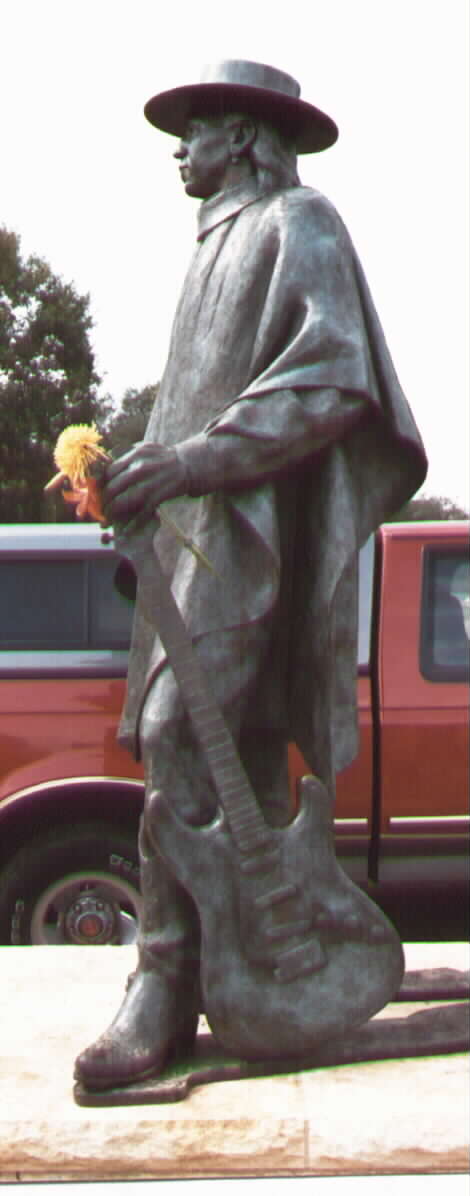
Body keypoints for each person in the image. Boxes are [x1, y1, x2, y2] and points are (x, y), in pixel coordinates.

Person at [75, 59, 427, 1089]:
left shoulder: (298, 222)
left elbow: (326, 382)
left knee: (180, 734)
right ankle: (226, 969)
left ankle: (161, 976)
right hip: (193, 540)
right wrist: (134, 477)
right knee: (201, 754)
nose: (177, 150)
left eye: (191, 131)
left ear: (239, 135)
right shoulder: (208, 247)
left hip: (250, 536)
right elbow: (189, 401)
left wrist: (188, 462)